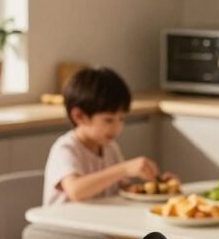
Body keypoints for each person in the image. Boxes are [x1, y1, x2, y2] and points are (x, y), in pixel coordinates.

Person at [43, 66, 161, 205]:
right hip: (59, 226)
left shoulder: (110, 148)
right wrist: (124, 169)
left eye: (122, 118)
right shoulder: (65, 149)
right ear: (79, 116)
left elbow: (123, 188)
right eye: (108, 120)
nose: (118, 127)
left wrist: (159, 185)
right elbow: (76, 190)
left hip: (96, 223)